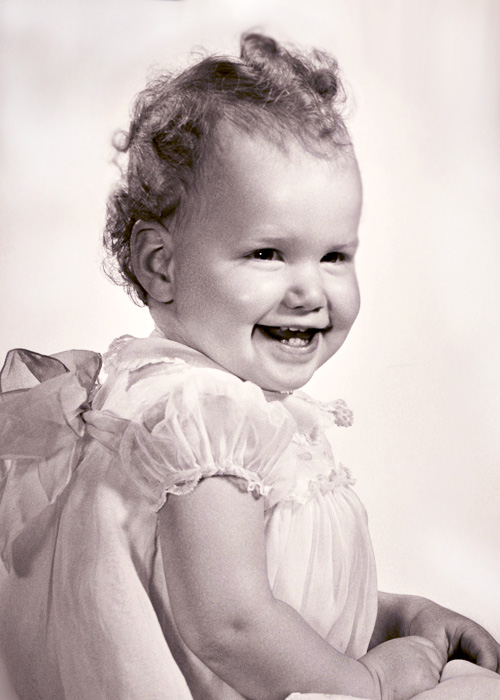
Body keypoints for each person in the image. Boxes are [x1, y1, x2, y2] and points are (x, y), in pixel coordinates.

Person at [0, 32, 499, 700]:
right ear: (161, 264)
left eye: (334, 255)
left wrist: (395, 614)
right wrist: (370, 681)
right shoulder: (204, 419)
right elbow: (230, 626)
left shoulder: (203, 405)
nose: (309, 290)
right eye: (267, 253)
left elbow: (273, 591)